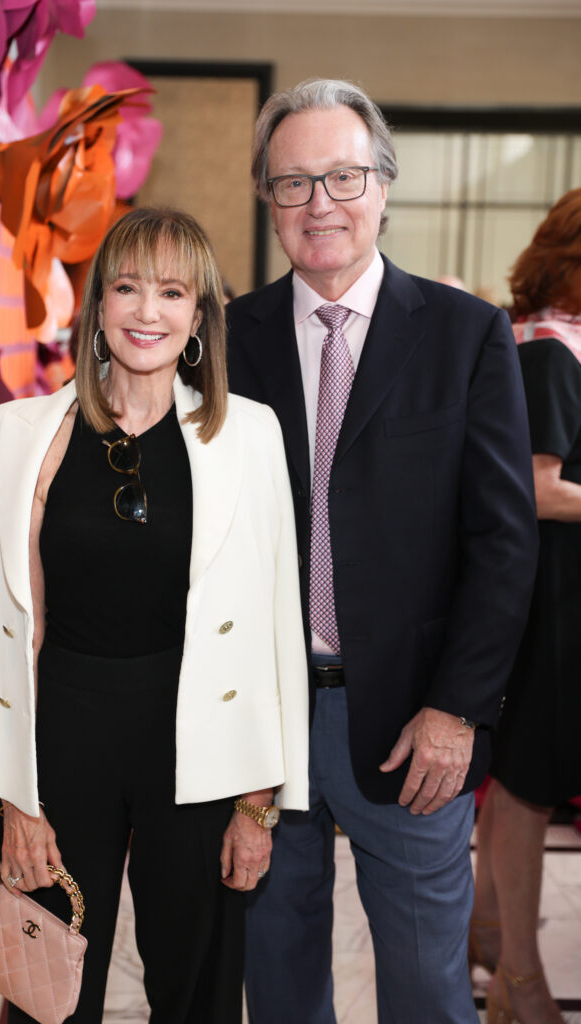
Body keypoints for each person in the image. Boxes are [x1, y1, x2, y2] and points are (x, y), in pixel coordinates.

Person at [226, 78, 539, 1024]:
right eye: (292, 183)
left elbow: (502, 539)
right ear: (267, 200)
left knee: (424, 992)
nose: (319, 203)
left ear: (384, 185)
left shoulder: (465, 334)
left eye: (342, 176)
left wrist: (455, 710)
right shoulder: (226, 338)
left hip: (412, 725)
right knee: (275, 986)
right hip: (262, 730)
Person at [0, 207, 310, 1024]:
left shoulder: (248, 435)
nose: (147, 311)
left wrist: (258, 805)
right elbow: (0, 637)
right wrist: (15, 801)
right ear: (98, 304)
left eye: (172, 291)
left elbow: (269, 633)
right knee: (48, 995)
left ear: (197, 316)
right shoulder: (18, 434)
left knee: (195, 987)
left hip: (199, 749)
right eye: (127, 287)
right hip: (63, 740)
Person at [472, 189, 581, 1024]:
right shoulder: (549, 348)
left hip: (557, 594)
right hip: (549, 601)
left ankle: (485, 932)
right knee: (525, 784)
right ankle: (518, 976)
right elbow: (539, 489)